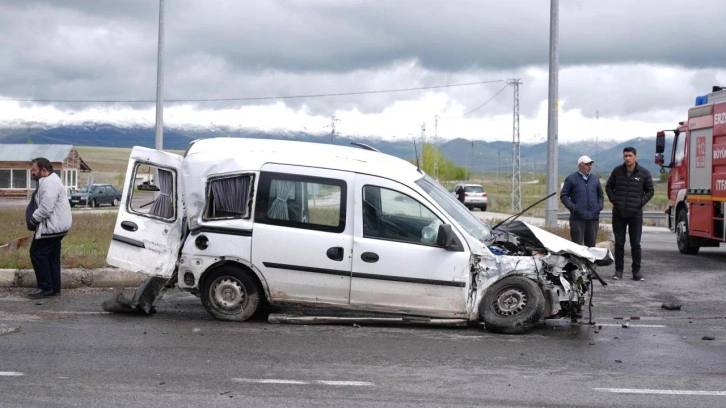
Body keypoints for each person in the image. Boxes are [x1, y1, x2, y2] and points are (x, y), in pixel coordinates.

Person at [26, 157, 73, 298]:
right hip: (57, 227)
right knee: (51, 257)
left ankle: (45, 287)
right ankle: (54, 288)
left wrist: (33, 220)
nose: (32, 172)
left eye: (34, 170)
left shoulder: (50, 183)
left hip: (52, 228)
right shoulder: (51, 181)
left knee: (37, 254)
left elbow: (46, 208)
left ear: (44, 171)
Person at [605, 147, 654, 281]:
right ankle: (618, 271)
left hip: (635, 214)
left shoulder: (644, 173)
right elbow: (609, 187)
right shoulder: (617, 171)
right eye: (625, 156)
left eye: (630, 156)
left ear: (635, 157)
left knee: (636, 244)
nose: (627, 158)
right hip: (619, 213)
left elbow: (650, 191)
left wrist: (640, 202)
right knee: (619, 244)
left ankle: (636, 272)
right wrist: (615, 201)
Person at [560, 155, 604, 247]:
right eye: (587, 164)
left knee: (591, 247)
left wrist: (599, 206)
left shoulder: (595, 179)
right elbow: (564, 195)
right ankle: (577, 262)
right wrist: (573, 208)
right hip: (577, 218)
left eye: (591, 164)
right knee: (576, 247)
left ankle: (590, 262)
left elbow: (600, 195)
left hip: (593, 218)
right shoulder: (571, 179)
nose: (590, 166)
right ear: (580, 165)